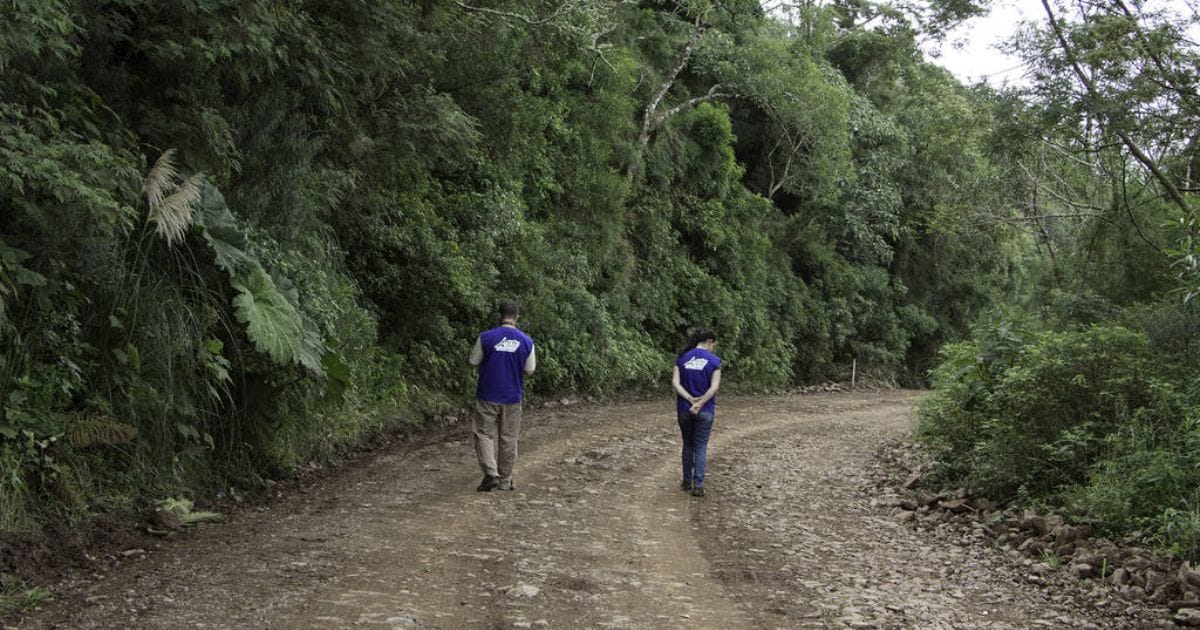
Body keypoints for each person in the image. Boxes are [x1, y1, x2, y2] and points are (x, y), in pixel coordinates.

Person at [469, 301, 536, 492]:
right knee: (508, 438)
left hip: (487, 394)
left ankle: (491, 473)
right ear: (517, 316)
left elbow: (473, 361)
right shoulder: (526, 341)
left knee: (484, 433)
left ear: (500, 315)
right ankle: (505, 480)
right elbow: (530, 369)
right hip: (512, 396)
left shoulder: (486, 337)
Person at [671, 329, 721, 497]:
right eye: (714, 344)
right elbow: (714, 388)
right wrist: (700, 403)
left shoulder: (682, 357)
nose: (714, 347)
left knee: (688, 443)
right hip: (705, 409)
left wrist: (690, 399)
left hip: (684, 408)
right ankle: (698, 484)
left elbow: (675, 383)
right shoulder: (714, 361)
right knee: (700, 446)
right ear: (709, 341)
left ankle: (686, 481)